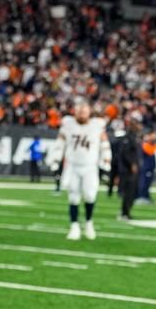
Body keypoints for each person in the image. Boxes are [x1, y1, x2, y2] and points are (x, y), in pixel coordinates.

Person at [59, 99, 111, 240]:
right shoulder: (68, 124)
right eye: (79, 111)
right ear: (74, 112)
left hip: (90, 166)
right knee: (73, 196)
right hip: (73, 165)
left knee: (90, 195)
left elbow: (105, 144)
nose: (81, 114)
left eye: (84, 111)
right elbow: (60, 143)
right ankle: (74, 226)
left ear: (89, 113)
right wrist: (55, 161)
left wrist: (106, 162)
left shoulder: (97, 125)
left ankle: (89, 222)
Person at [116, 114, 142, 222]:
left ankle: (126, 212)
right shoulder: (128, 137)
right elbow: (126, 152)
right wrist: (132, 164)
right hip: (128, 169)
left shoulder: (134, 136)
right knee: (129, 192)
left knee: (132, 192)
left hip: (131, 168)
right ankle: (124, 212)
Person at [137, 132, 156, 204]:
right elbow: (151, 151)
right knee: (144, 183)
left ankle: (146, 196)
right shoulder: (144, 145)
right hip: (146, 167)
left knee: (148, 183)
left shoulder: (149, 145)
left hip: (149, 167)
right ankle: (141, 197)